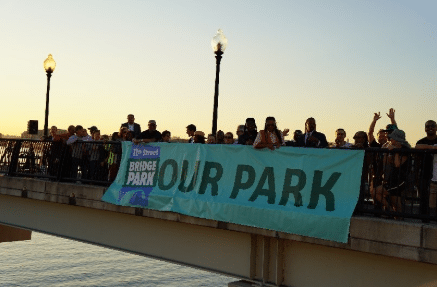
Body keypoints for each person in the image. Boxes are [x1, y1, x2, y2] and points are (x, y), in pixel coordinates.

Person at [373, 129, 411, 214]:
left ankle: (391, 211)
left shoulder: (405, 149)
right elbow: (389, 162)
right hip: (393, 178)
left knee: (377, 191)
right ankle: (394, 213)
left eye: (392, 138)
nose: (390, 140)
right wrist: (387, 152)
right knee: (396, 203)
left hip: (400, 180)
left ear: (397, 139)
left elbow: (397, 164)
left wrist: (396, 151)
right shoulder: (393, 147)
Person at [415, 120, 437, 216]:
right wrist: (432, 148)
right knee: (424, 196)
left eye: (432, 126)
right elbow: (417, 147)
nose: (430, 128)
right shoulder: (421, 141)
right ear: (425, 129)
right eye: (428, 126)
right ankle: (424, 217)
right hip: (424, 173)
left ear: (436, 128)